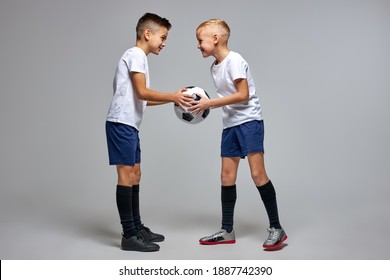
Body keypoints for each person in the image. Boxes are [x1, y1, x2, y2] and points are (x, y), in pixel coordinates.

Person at [190, 19, 287, 249]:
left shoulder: (235, 60)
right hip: (230, 125)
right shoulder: (214, 66)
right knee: (226, 177)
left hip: (249, 121)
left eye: (200, 40)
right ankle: (227, 230)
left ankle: (277, 227)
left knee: (258, 174)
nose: (198, 45)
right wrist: (213, 105)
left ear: (216, 39)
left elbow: (243, 95)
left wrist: (210, 103)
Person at [105, 12, 192, 252]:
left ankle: (137, 226)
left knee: (136, 174)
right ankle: (129, 234)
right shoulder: (135, 54)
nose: (164, 43)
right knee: (125, 176)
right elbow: (143, 92)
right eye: (162, 37)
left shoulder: (140, 57)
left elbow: (142, 99)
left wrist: (173, 100)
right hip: (120, 124)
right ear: (147, 34)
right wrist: (173, 95)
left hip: (129, 125)